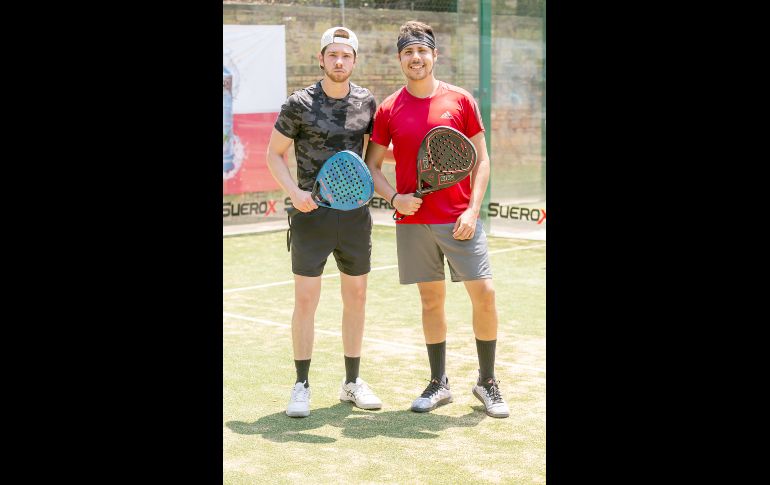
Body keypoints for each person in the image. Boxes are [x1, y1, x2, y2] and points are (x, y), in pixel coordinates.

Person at [364, 21, 509, 418]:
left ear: (434, 55)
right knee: (431, 301)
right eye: (408, 53)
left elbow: (481, 159)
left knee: (485, 294)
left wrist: (473, 209)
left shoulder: (461, 100)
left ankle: (487, 381)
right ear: (400, 59)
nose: (416, 58)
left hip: (460, 220)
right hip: (413, 223)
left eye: (422, 51)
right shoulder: (388, 108)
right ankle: (439, 382)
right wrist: (394, 196)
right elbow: (372, 165)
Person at [266, 26, 381, 418]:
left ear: (354, 61)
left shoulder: (367, 102)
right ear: (321, 58)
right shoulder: (298, 103)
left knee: (357, 299)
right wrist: (296, 195)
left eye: (346, 56)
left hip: (354, 219)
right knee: (306, 301)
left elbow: (378, 156)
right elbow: (274, 154)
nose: (339, 61)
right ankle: (301, 385)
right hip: (310, 217)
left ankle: (351, 382)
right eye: (332, 54)